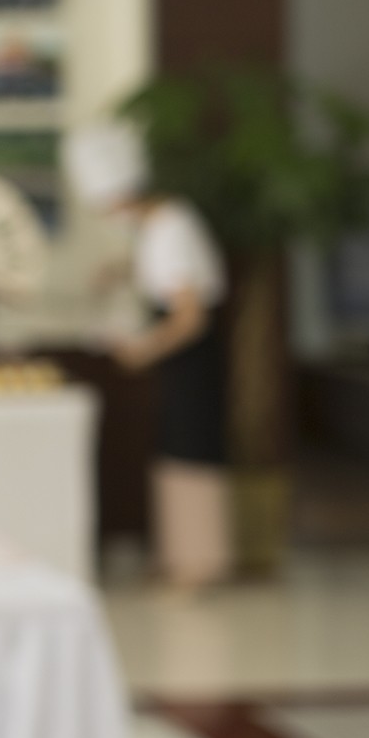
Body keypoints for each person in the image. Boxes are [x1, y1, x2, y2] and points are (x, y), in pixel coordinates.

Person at [65, 122, 233, 589]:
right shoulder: (159, 225)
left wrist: (143, 349)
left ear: (122, 196)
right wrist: (119, 270)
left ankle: (201, 563)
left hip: (194, 357)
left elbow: (189, 316)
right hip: (179, 359)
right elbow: (158, 269)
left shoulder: (174, 228)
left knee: (193, 451)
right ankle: (178, 556)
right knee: (172, 450)